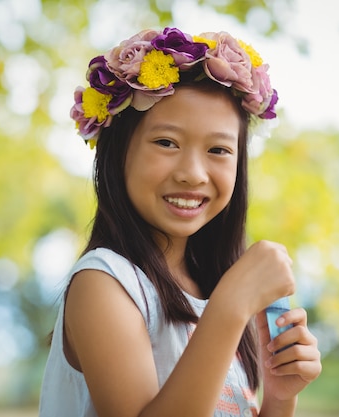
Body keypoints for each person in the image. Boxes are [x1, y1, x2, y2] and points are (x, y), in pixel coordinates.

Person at [39, 27, 322, 417]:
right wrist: (231, 305)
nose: (193, 173)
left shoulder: (214, 290)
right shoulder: (105, 284)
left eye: (218, 150)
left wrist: (280, 396)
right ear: (118, 153)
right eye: (166, 143)